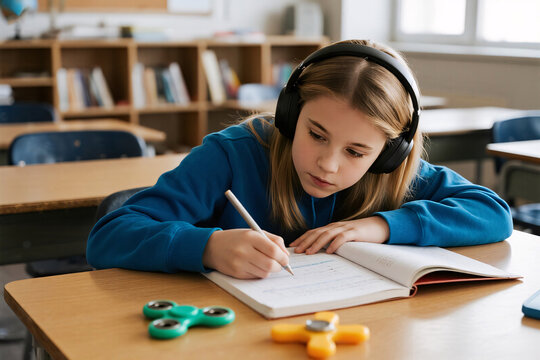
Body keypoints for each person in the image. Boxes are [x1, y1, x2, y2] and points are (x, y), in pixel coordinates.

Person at [87, 40, 512, 279]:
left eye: (355, 152)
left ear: (389, 152)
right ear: (290, 114)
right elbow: (110, 235)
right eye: (316, 134)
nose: (328, 164)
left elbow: (493, 212)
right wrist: (208, 246)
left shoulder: (392, 171)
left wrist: (380, 225)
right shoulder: (233, 154)